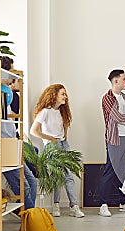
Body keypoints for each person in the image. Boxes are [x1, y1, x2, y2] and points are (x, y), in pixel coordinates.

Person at [0, 56, 37, 210]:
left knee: (32, 182)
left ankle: (30, 219)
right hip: (2, 147)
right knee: (25, 188)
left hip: (12, 145)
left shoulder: (6, 95)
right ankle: (29, 222)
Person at [30, 84, 85, 218]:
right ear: (54, 95)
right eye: (63, 94)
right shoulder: (45, 111)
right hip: (52, 146)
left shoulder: (62, 111)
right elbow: (33, 131)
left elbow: (64, 128)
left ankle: (71, 206)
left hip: (63, 144)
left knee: (67, 176)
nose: (65, 97)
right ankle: (59, 205)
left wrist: (63, 137)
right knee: (59, 176)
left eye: (65, 94)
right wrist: (50, 138)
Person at [99, 69, 125, 217]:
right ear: (116, 81)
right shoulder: (107, 98)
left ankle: (124, 201)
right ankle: (103, 204)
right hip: (114, 139)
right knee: (110, 170)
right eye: (124, 79)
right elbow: (116, 117)